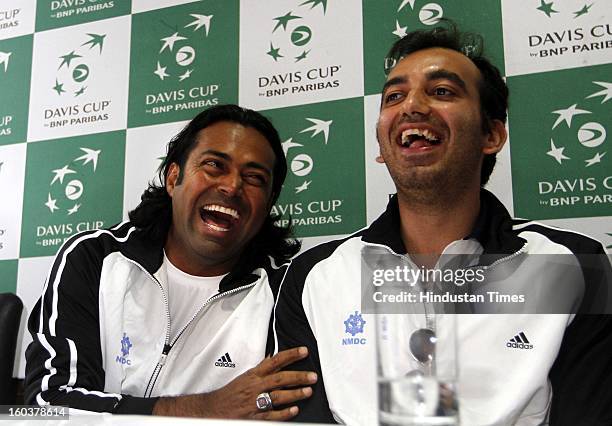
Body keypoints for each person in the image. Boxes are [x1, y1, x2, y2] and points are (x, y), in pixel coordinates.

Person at [273, 23, 612, 425]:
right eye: (394, 96)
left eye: (442, 92)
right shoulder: (314, 275)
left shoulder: (569, 264)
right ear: (383, 145)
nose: (411, 107)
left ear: (491, 134)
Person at [25, 104, 318, 420]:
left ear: (268, 204)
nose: (232, 186)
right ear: (173, 177)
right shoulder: (94, 258)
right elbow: (48, 407)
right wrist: (206, 410)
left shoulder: (284, 292)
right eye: (214, 165)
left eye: (254, 177)